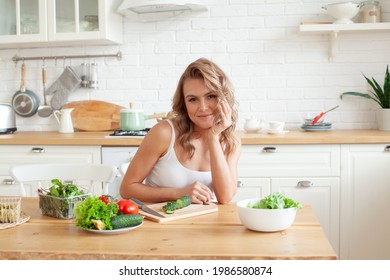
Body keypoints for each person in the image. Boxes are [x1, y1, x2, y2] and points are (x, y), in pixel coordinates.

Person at [120, 58, 241, 204]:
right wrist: (179, 193)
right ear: (184, 103)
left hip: (206, 223)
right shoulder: (164, 133)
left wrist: (213, 137)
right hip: (162, 223)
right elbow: (127, 189)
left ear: (224, 98)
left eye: (211, 96)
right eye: (193, 99)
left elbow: (225, 197)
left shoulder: (231, 142)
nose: (202, 107)